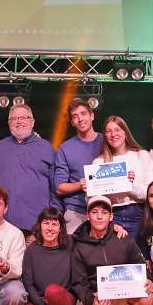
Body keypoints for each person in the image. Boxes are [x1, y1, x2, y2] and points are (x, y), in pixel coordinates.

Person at [72, 195, 153, 305]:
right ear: (87, 216)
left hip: (122, 299)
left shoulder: (123, 238)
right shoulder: (79, 246)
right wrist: (92, 301)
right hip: (97, 300)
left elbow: (140, 264)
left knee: (148, 297)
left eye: (104, 213)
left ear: (111, 216)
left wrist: (148, 279)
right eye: (94, 212)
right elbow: (78, 283)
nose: (99, 216)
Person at [0, 104, 61, 234]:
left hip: (36, 227)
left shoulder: (47, 148)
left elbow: (56, 187)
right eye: (14, 118)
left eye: (24, 117)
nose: (19, 121)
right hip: (1, 226)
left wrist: (53, 216)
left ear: (32, 122)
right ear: (8, 123)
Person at [16, 208, 78, 305]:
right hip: (40, 301)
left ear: (61, 228)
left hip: (63, 297)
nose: (50, 228)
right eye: (46, 223)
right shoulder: (32, 250)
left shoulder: (70, 243)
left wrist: (113, 226)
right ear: (39, 225)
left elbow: (91, 230)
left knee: (53, 291)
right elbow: (29, 284)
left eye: (54, 224)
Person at [92, 116, 153, 239]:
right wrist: (89, 190)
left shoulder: (141, 156)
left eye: (117, 130)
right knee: (115, 257)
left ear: (125, 133)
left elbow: (151, 193)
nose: (113, 134)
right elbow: (93, 201)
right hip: (111, 216)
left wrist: (130, 185)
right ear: (105, 136)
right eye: (108, 131)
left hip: (139, 213)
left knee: (139, 256)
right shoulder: (98, 163)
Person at [54, 99, 106, 234]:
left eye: (83, 114)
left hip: (106, 210)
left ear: (92, 116)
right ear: (72, 122)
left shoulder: (107, 141)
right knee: (73, 253)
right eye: (75, 117)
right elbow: (59, 188)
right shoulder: (65, 148)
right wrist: (80, 184)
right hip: (77, 211)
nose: (80, 119)